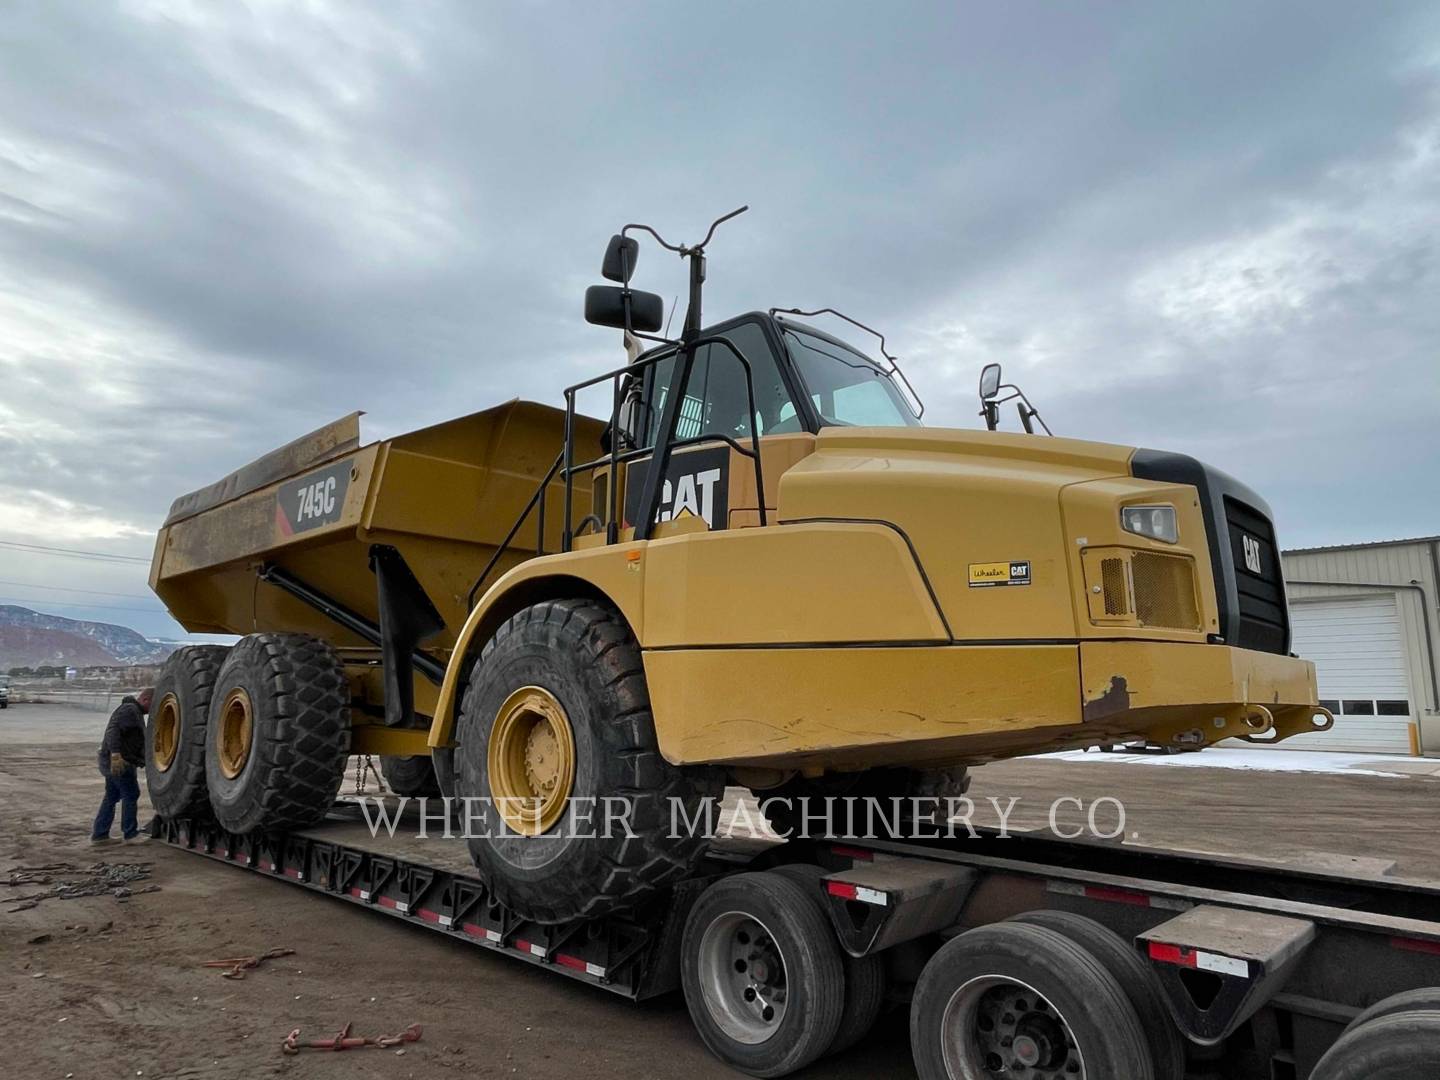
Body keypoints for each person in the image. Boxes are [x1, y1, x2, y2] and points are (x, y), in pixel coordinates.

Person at [91, 688, 153, 845]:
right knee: (131, 793)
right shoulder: (129, 710)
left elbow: (132, 740)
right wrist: (115, 754)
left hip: (117, 760)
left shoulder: (133, 711)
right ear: (145, 700)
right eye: (153, 704)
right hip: (119, 762)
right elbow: (113, 731)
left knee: (111, 796)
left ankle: (100, 835)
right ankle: (130, 833)